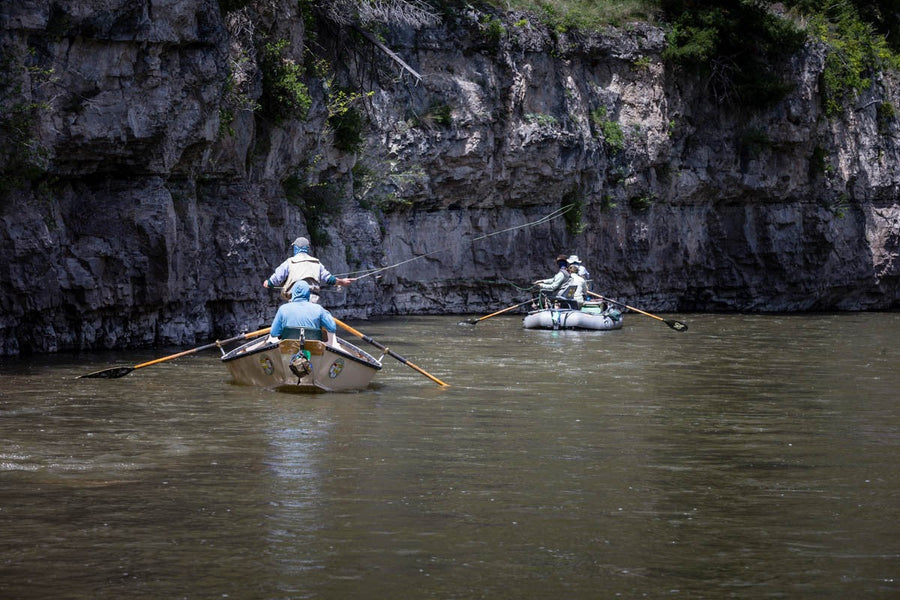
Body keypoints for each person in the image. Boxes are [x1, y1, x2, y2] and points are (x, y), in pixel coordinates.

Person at [263, 236, 355, 303]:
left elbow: (276, 278)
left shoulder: (289, 262)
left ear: (295, 248)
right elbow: (329, 279)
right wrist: (342, 282)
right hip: (313, 301)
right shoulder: (316, 263)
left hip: (295, 300)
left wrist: (268, 283)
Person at [268, 281, 338, 345]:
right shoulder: (318, 309)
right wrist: (326, 313)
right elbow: (332, 328)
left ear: (293, 293)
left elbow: (274, 333)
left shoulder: (283, 309)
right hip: (314, 349)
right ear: (308, 293)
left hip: (288, 348)